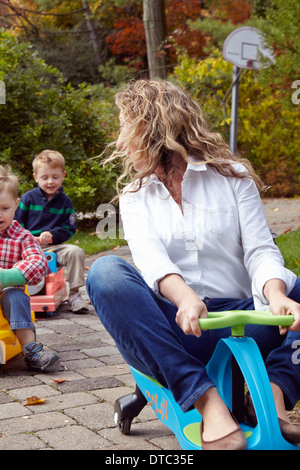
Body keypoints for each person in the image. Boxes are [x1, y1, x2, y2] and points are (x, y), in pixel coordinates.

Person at [86, 79, 300, 450]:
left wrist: (276, 292)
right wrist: (184, 297)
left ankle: (275, 394)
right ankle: (205, 400)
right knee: (105, 272)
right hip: (178, 329)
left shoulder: (233, 176)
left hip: (245, 321)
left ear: (154, 127)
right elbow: (151, 259)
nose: (120, 143)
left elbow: (260, 249)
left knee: (294, 288)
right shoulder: (135, 197)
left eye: (125, 129)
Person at [0, 165, 59, 371]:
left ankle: (30, 349)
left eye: (4, 208)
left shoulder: (22, 237)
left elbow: (38, 263)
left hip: (7, 296)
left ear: (16, 205)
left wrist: (8, 276)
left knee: (14, 296)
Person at [15, 150, 89, 313]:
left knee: (75, 251)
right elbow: (16, 223)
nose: (50, 182)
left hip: (52, 247)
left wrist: (52, 235)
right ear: (36, 177)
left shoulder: (65, 202)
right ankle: (15, 294)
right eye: (45, 177)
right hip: (27, 247)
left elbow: (70, 228)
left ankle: (75, 295)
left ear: (63, 176)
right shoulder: (28, 198)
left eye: (55, 177)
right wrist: (28, 237)